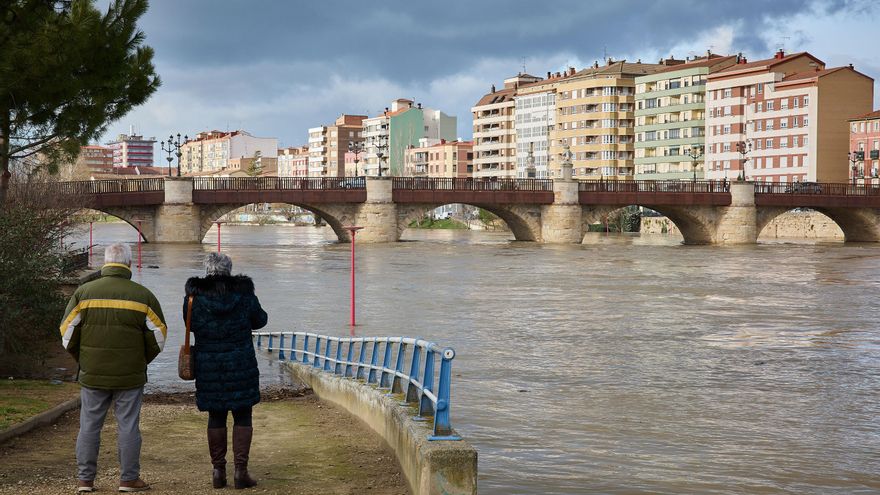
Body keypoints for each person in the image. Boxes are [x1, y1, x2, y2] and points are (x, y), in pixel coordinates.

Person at [60, 243, 167, 493]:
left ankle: (85, 480)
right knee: (128, 425)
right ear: (128, 264)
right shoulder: (143, 295)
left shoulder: (83, 293)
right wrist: (141, 360)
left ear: (105, 263)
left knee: (89, 425)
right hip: (130, 374)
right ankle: (128, 479)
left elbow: (66, 334)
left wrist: (83, 358)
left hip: (92, 372)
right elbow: (159, 336)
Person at [184, 252, 267, 489]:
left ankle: (218, 471)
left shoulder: (193, 297)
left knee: (216, 415)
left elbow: (188, 324)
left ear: (207, 270)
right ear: (229, 270)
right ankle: (241, 472)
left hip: (209, 365)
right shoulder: (244, 295)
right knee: (243, 414)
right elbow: (260, 320)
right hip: (241, 364)